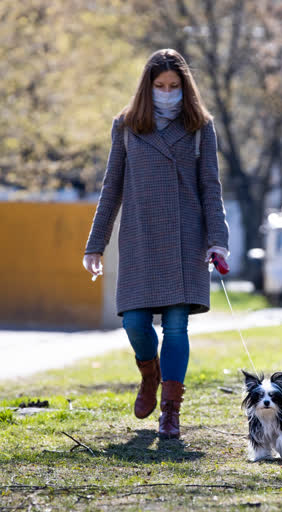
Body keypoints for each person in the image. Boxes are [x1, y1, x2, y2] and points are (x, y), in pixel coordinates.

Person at [82, 49, 229, 439]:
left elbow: (210, 187)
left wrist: (218, 241)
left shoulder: (200, 126)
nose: (167, 93)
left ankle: (171, 412)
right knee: (134, 322)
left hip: (186, 239)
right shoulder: (127, 126)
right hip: (141, 238)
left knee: (177, 328)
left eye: (174, 87)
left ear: (185, 87)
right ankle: (150, 375)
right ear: (147, 87)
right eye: (160, 86)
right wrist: (95, 244)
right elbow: (111, 188)